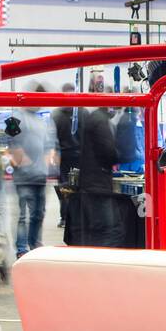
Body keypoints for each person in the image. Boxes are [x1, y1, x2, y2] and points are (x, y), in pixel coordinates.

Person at [64, 106, 120, 247]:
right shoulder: (100, 120)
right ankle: (102, 263)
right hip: (98, 183)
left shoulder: (93, 118)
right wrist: (119, 156)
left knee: (96, 229)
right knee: (109, 229)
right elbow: (108, 151)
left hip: (90, 182)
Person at [8, 86, 53, 257]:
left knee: (38, 214)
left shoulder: (42, 121)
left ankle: (34, 244)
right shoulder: (15, 117)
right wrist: (21, 160)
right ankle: (21, 249)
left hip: (40, 175)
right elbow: (10, 141)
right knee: (22, 216)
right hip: (23, 177)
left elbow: (49, 145)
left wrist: (48, 159)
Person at [52, 83, 81, 232]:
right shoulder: (58, 115)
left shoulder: (78, 112)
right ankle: (66, 217)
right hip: (65, 157)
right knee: (66, 188)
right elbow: (52, 137)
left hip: (74, 156)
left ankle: (69, 217)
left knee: (69, 188)